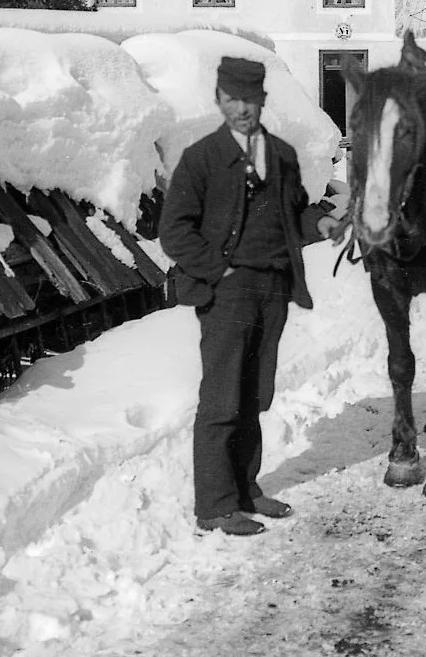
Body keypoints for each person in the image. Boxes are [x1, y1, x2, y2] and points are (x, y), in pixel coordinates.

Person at [159, 55, 346, 537]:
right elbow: (174, 232)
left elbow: (294, 216)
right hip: (226, 293)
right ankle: (215, 505)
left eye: (250, 98)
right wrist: (218, 270)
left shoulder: (281, 155)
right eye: (231, 99)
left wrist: (320, 223)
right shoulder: (200, 159)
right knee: (222, 398)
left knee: (255, 393)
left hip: (272, 289)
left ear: (263, 100)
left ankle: (245, 489)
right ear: (219, 101)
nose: (241, 108)